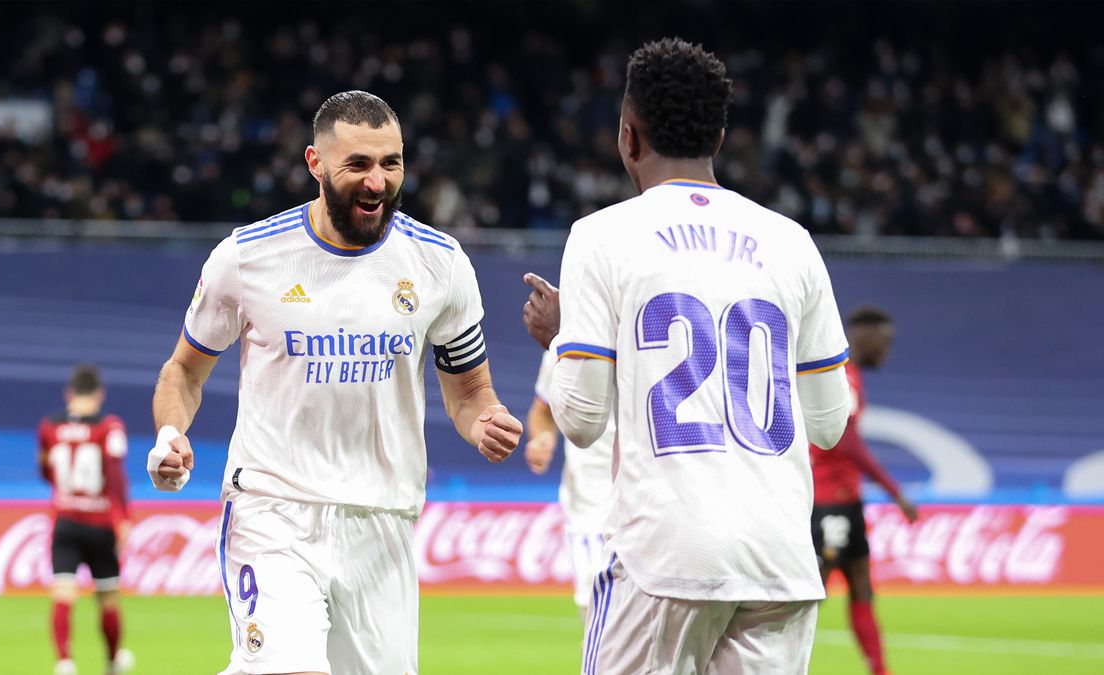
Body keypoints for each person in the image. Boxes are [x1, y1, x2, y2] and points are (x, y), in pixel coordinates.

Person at [146, 90, 522, 675]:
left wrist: (486, 423)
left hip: (383, 519)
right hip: (275, 510)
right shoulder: (247, 259)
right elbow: (184, 371)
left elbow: (471, 392)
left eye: (391, 163)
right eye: (359, 165)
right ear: (315, 164)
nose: (377, 182)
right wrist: (170, 431)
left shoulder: (441, 264)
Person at [522, 38, 851, 673]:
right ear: (720, 137)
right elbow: (829, 424)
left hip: (664, 558)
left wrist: (565, 340)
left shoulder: (600, 238)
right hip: (781, 562)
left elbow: (584, 422)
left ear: (628, 137)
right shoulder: (792, 243)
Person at [810, 305, 918, 675]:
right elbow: (846, 443)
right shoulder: (842, 376)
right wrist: (895, 491)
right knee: (811, 596)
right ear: (864, 336)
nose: (886, 350)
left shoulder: (853, 376)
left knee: (861, 587)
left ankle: (880, 671)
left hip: (847, 501)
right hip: (827, 503)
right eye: (883, 342)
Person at [37, 364, 135, 675]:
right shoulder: (110, 427)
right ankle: (112, 661)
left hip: (65, 521)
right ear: (99, 394)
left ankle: (65, 662)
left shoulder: (49, 427)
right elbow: (116, 474)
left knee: (63, 594)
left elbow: (45, 470)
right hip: (100, 523)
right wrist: (124, 518)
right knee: (107, 597)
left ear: (69, 393)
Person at [525, 350, 614, 622]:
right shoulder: (562, 348)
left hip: (647, 503)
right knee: (597, 625)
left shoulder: (646, 334)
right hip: (590, 506)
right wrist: (542, 439)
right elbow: (542, 411)